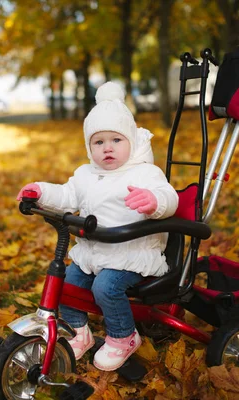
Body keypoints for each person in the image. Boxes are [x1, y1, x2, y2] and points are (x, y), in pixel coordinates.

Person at [17, 82, 179, 371]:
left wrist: (154, 201)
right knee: (69, 284)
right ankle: (79, 332)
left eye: (116, 140)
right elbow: (66, 196)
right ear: (89, 147)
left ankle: (123, 336)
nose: (107, 149)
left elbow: (169, 197)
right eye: (98, 142)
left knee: (106, 288)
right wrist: (40, 192)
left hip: (130, 254)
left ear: (131, 140)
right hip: (93, 253)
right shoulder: (85, 174)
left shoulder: (145, 172)